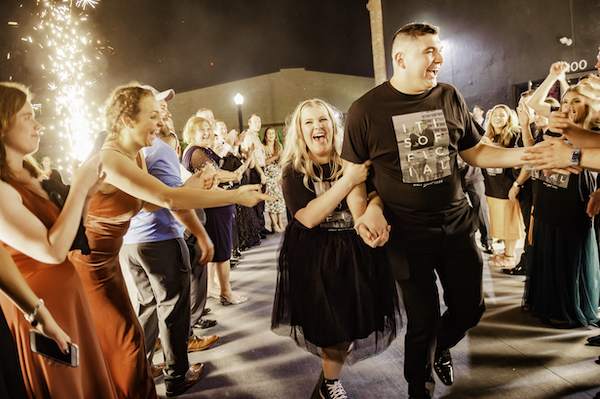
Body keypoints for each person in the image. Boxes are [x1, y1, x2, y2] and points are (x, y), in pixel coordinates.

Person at [341, 23, 526, 399]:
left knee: (471, 309)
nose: (439, 59)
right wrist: (363, 216)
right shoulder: (365, 110)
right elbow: (353, 178)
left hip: (457, 226)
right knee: (421, 319)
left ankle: (442, 344)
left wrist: (527, 155)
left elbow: (474, 152)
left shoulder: (450, 96)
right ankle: (418, 389)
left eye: (439, 50)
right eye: (429, 51)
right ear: (400, 58)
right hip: (406, 235)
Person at [68, 83, 272, 399]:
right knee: (127, 343)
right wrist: (234, 195)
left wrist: (196, 187)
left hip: (113, 260)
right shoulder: (111, 158)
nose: (161, 121)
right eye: (152, 115)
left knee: (134, 339)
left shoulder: (134, 156)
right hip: (92, 267)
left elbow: (153, 202)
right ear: (127, 120)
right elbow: (167, 197)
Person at [271, 99, 399, 399]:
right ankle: (330, 384)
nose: (317, 126)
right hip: (315, 253)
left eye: (323, 120)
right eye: (309, 122)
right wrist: (348, 180)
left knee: (354, 320)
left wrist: (373, 216)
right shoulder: (293, 168)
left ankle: (331, 371)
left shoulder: (352, 158)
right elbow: (308, 217)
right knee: (330, 323)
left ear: (334, 124)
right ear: (300, 131)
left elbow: (372, 198)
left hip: (354, 250)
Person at [0, 82, 117, 398]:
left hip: (67, 296)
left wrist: (87, 195)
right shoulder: (1, 189)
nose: (38, 125)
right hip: (39, 303)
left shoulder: (29, 174)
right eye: (26, 117)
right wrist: (78, 186)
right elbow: (51, 250)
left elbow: (66, 235)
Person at [118, 85, 218, 397]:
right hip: (160, 239)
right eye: (159, 107)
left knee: (147, 307)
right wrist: (201, 184)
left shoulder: (132, 149)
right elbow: (174, 199)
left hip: (132, 243)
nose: (167, 112)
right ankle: (177, 375)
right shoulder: (157, 148)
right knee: (174, 309)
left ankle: (141, 368)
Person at [181, 116, 250, 305]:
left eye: (208, 129)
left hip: (219, 203)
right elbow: (213, 175)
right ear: (191, 132)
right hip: (214, 206)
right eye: (201, 130)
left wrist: (231, 176)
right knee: (222, 251)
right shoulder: (195, 152)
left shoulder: (204, 149)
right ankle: (226, 292)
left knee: (220, 249)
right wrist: (233, 179)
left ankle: (212, 287)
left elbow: (220, 169)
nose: (206, 133)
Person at [481, 105, 526, 268]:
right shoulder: (487, 136)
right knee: (500, 222)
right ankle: (506, 252)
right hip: (492, 186)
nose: (497, 118)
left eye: (502, 115)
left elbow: (517, 158)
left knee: (510, 222)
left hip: (507, 185)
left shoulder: (515, 135)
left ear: (509, 118)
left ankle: (510, 255)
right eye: (494, 115)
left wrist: (490, 147)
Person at [242, 114, 271, 236]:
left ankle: (261, 226)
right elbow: (252, 157)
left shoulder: (256, 136)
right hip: (255, 170)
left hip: (260, 169)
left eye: (259, 121)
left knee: (261, 200)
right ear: (249, 123)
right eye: (255, 122)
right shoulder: (248, 136)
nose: (258, 124)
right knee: (257, 200)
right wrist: (261, 173)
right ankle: (257, 230)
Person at [262, 126, 286, 232]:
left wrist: (282, 156)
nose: (271, 135)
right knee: (270, 200)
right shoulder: (263, 147)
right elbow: (264, 162)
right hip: (268, 176)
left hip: (277, 175)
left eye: (273, 133)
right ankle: (273, 222)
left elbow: (281, 161)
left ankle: (280, 221)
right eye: (269, 133)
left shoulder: (278, 146)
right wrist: (276, 156)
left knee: (279, 200)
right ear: (266, 136)